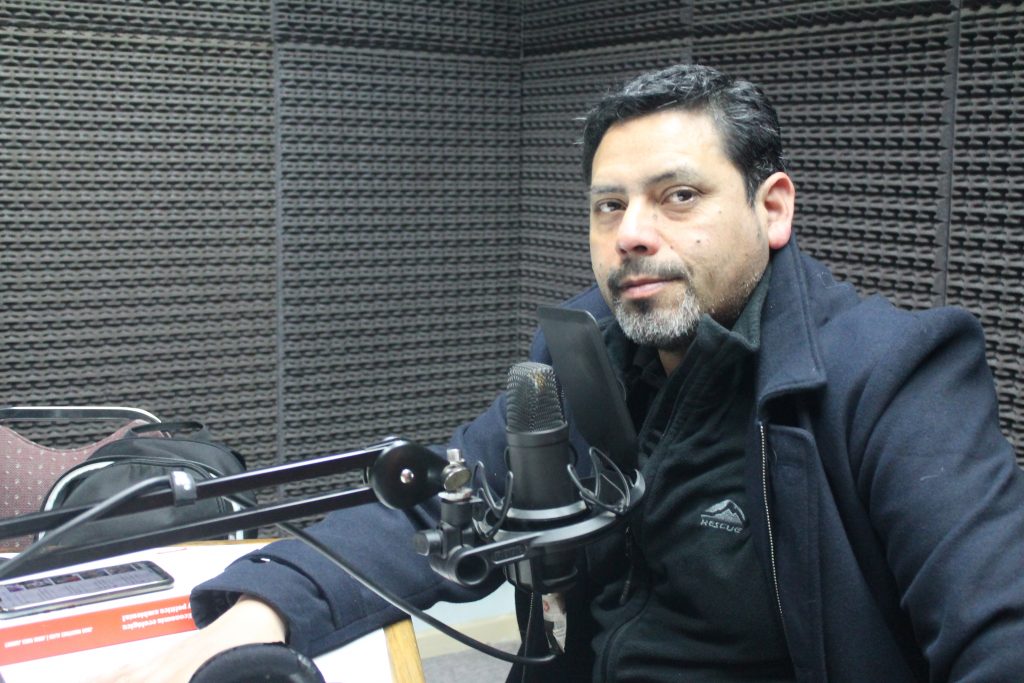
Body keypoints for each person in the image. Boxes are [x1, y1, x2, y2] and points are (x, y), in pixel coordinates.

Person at [89, 63, 1024, 682]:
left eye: (679, 196)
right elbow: (439, 502)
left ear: (771, 208)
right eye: (609, 206)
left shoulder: (891, 375)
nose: (633, 234)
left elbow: (998, 631)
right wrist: (263, 605)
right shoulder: (582, 351)